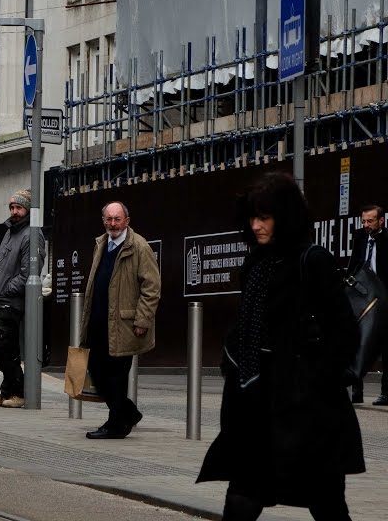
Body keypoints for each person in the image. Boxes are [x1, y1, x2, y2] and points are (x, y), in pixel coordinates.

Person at [197, 172, 363, 521]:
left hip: (305, 409)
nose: (256, 225)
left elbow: (344, 330)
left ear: (285, 216)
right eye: (252, 217)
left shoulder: (312, 260)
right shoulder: (256, 262)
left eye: (264, 217)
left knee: (326, 502)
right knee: (242, 496)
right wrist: (233, 362)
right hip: (256, 403)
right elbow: (246, 321)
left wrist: (317, 379)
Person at [79, 201, 160, 439]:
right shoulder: (101, 244)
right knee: (96, 371)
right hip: (98, 322)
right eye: (109, 219)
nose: (113, 224)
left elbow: (152, 288)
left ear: (127, 221)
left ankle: (116, 425)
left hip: (124, 325)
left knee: (116, 376)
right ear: (103, 220)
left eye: (117, 219)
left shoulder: (139, 247)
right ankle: (128, 413)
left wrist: (142, 320)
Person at [0, 189, 44, 409]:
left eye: (19, 207)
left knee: (2, 347)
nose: (14, 211)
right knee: (6, 348)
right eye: (12, 207)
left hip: (12, 300)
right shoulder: (11, 231)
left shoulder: (31, 235)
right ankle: (7, 392)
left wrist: (5, 290)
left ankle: (19, 392)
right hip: (0, 298)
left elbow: (29, 273)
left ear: (28, 210)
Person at [347, 203, 387, 405]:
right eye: (363, 221)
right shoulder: (360, 238)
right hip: (362, 295)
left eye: (370, 221)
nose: (366, 225)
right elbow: (354, 264)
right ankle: (356, 389)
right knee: (357, 340)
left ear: (381, 221)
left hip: (383, 297)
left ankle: (386, 392)